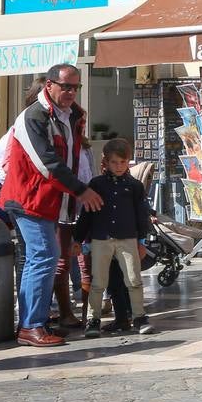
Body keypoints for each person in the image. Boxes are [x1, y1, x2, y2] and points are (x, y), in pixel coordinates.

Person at [0, 64, 103, 347]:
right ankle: (31, 325)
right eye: (66, 86)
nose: (71, 92)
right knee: (44, 257)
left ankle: (37, 321)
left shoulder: (69, 116)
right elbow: (46, 163)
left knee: (44, 258)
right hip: (28, 199)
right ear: (49, 85)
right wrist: (81, 191)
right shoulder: (34, 116)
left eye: (75, 87)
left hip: (49, 201)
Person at [78, 139, 155, 337]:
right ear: (106, 162)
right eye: (114, 162)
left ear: (129, 162)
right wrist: (78, 239)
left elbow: (141, 214)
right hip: (101, 238)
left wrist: (142, 241)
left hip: (128, 238)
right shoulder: (96, 184)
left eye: (123, 162)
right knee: (98, 281)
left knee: (134, 279)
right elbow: (87, 214)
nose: (119, 167)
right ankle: (92, 319)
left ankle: (139, 316)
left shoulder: (135, 186)